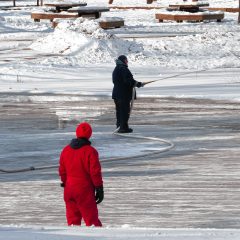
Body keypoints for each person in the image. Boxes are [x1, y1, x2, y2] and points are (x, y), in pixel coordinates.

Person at [59, 122, 104, 227]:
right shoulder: (90, 151)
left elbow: (62, 170)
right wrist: (99, 188)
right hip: (84, 190)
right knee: (92, 222)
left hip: (69, 189)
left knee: (73, 222)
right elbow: (95, 172)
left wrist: (66, 182)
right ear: (89, 134)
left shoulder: (66, 150)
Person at [112, 55, 144, 133]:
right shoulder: (123, 68)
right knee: (124, 111)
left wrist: (137, 83)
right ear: (123, 61)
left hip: (117, 94)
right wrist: (137, 84)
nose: (127, 62)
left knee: (120, 111)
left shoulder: (116, 69)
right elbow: (128, 80)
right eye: (126, 60)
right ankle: (123, 128)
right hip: (123, 95)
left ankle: (120, 126)